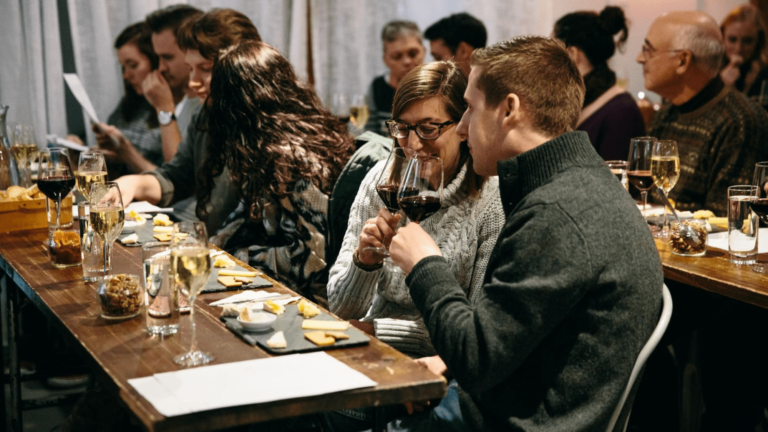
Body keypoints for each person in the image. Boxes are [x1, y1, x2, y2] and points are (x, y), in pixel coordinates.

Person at [383, 36, 662, 431]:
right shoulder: (579, 184)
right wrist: (448, 365)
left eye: (470, 108)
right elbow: (510, 337)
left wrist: (425, 264)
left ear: (509, 109)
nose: (461, 128)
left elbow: (477, 360)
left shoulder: (557, 213)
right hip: (506, 400)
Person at [328, 60, 504, 358]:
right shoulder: (380, 182)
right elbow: (340, 308)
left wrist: (381, 332)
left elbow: (477, 332)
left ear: (462, 126)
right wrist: (364, 263)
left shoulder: (491, 202)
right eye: (402, 128)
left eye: (428, 128)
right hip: (365, 346)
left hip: (442, 365)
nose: (412, 144)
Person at [204, 41, 355, 301]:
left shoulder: (294, 159)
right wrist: (210, 247)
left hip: (313, 299)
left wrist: (236, 257)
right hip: (284, 285)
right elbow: (248, 214)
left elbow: (311, 259)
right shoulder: (270, 144)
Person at [115, 8, 262, 236]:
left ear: (244, 64)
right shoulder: (207, 116)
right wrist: (134, 183)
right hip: (207, 241)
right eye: (192, 68)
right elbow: (179, 174)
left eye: (205, 69)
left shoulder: (265, 124)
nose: (193, 83)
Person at [638, 11, 768, 215]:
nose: (639, 59)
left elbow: (726, 220)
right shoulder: (667, 114)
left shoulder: (739, 121)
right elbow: (651, 200)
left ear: (683, 60)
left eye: (648, 50)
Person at [95, 5, 203, 176]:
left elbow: (177, 176)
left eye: (167, 57)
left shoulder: (200, 99)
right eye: (158, 57)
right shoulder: (187, 100)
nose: (161, 67)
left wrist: (164, 109)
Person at [554, 6, 646, 160]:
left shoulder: (621, 112)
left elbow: (614, 181)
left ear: (572, 54)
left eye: (552, 51)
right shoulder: (572, 103)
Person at [99, 22, 162, 176]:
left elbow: (172, 179)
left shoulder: (171, 110)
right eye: (123, 67)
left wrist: (125, 151)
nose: (126, 76)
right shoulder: (132, 102)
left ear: (156, 62)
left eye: (133, 65)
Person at [365, 21, 425, 135]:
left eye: (413, 53)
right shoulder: (378, 86)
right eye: (397, 56)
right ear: (385, 59)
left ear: (424, 51)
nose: (406, 61)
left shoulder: (437, 85)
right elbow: (370, 133)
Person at [720, 4, 767, 94]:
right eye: (732, 39)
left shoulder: (764, 76)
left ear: (758, 42)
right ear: (722, 38)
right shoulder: (709, 71)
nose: (738, 48)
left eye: (747, 41)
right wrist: (720, 86)